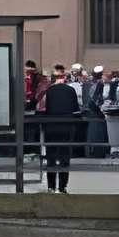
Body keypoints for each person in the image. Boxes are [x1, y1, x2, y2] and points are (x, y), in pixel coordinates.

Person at [41, 63, 79, 192]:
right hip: (66, 127)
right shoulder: (70, 90)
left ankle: (51, 186)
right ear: (65, 77)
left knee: (51, 158)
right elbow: (76, 109)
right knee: (64, 158)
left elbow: (44, 108)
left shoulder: (49, 90)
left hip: (51, 127)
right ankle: (62, 187)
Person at [84, 69, 109, 160]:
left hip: (95, 113)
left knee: (95, 134)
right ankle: (96, 152)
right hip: (96, 113)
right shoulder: (99, 84)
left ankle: (95, 151)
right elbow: (94, 100)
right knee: (96, 133)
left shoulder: (90, 84)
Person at [103, 69, 119, 162]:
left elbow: (105, 97)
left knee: (113, 131)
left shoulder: (108, 86)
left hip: (112, 109)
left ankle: (115, 150)